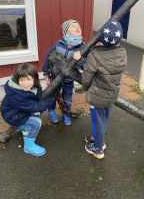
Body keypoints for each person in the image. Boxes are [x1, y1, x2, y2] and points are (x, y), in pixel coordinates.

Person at [81, 20, 127, 159]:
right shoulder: (122, 53)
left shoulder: (95, 55)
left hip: (98, 96)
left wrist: (86, 87)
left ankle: (98, 148)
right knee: (103, 120)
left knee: (98, 122)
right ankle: (97, 139)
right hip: (112, 94)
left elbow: (87, 77)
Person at [1, 63, 54, 156]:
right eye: (22, 80)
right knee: (36, 122)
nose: (25, 83)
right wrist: (49, 99)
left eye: (29, 79)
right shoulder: (17, 95)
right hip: (12, 116)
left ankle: (24, 128)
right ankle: (28, 146)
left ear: (34, 79)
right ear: (17, 80)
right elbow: (35, 106)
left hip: (20, 111)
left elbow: (37, 97)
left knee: (42, 112)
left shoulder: (33, 87)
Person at [42, 19, 86, 125]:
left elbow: (86, 64)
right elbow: (49, 56)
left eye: (78, 26)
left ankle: (66, 113)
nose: (77, 27)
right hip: (55, 76)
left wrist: (80, 59)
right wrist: (44, 71)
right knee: (53, 95)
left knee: (67, 97)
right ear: (66, 32)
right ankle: (51, 110)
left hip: (70, 78)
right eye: (73, 26)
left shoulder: (83, 47)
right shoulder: (59, 44)